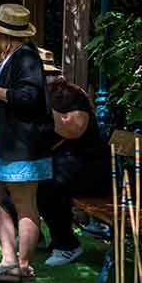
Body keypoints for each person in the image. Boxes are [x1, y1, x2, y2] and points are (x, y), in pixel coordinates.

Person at [0, 4, 52, 283]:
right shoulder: (13, 58)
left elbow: (29, 97)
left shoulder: (26, 57)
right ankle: (9, 259)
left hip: (21, 143)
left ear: (3, 34)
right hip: (3, 141)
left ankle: (22, 265)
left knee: (24, 202)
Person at [32, 49, 110, 266]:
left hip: (90, 168)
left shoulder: (72, 93)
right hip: (60, 165)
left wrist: (42, 106)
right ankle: (34, 236)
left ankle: (67, 245)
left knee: (47, 184)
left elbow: (74, 129)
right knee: (6, 181)